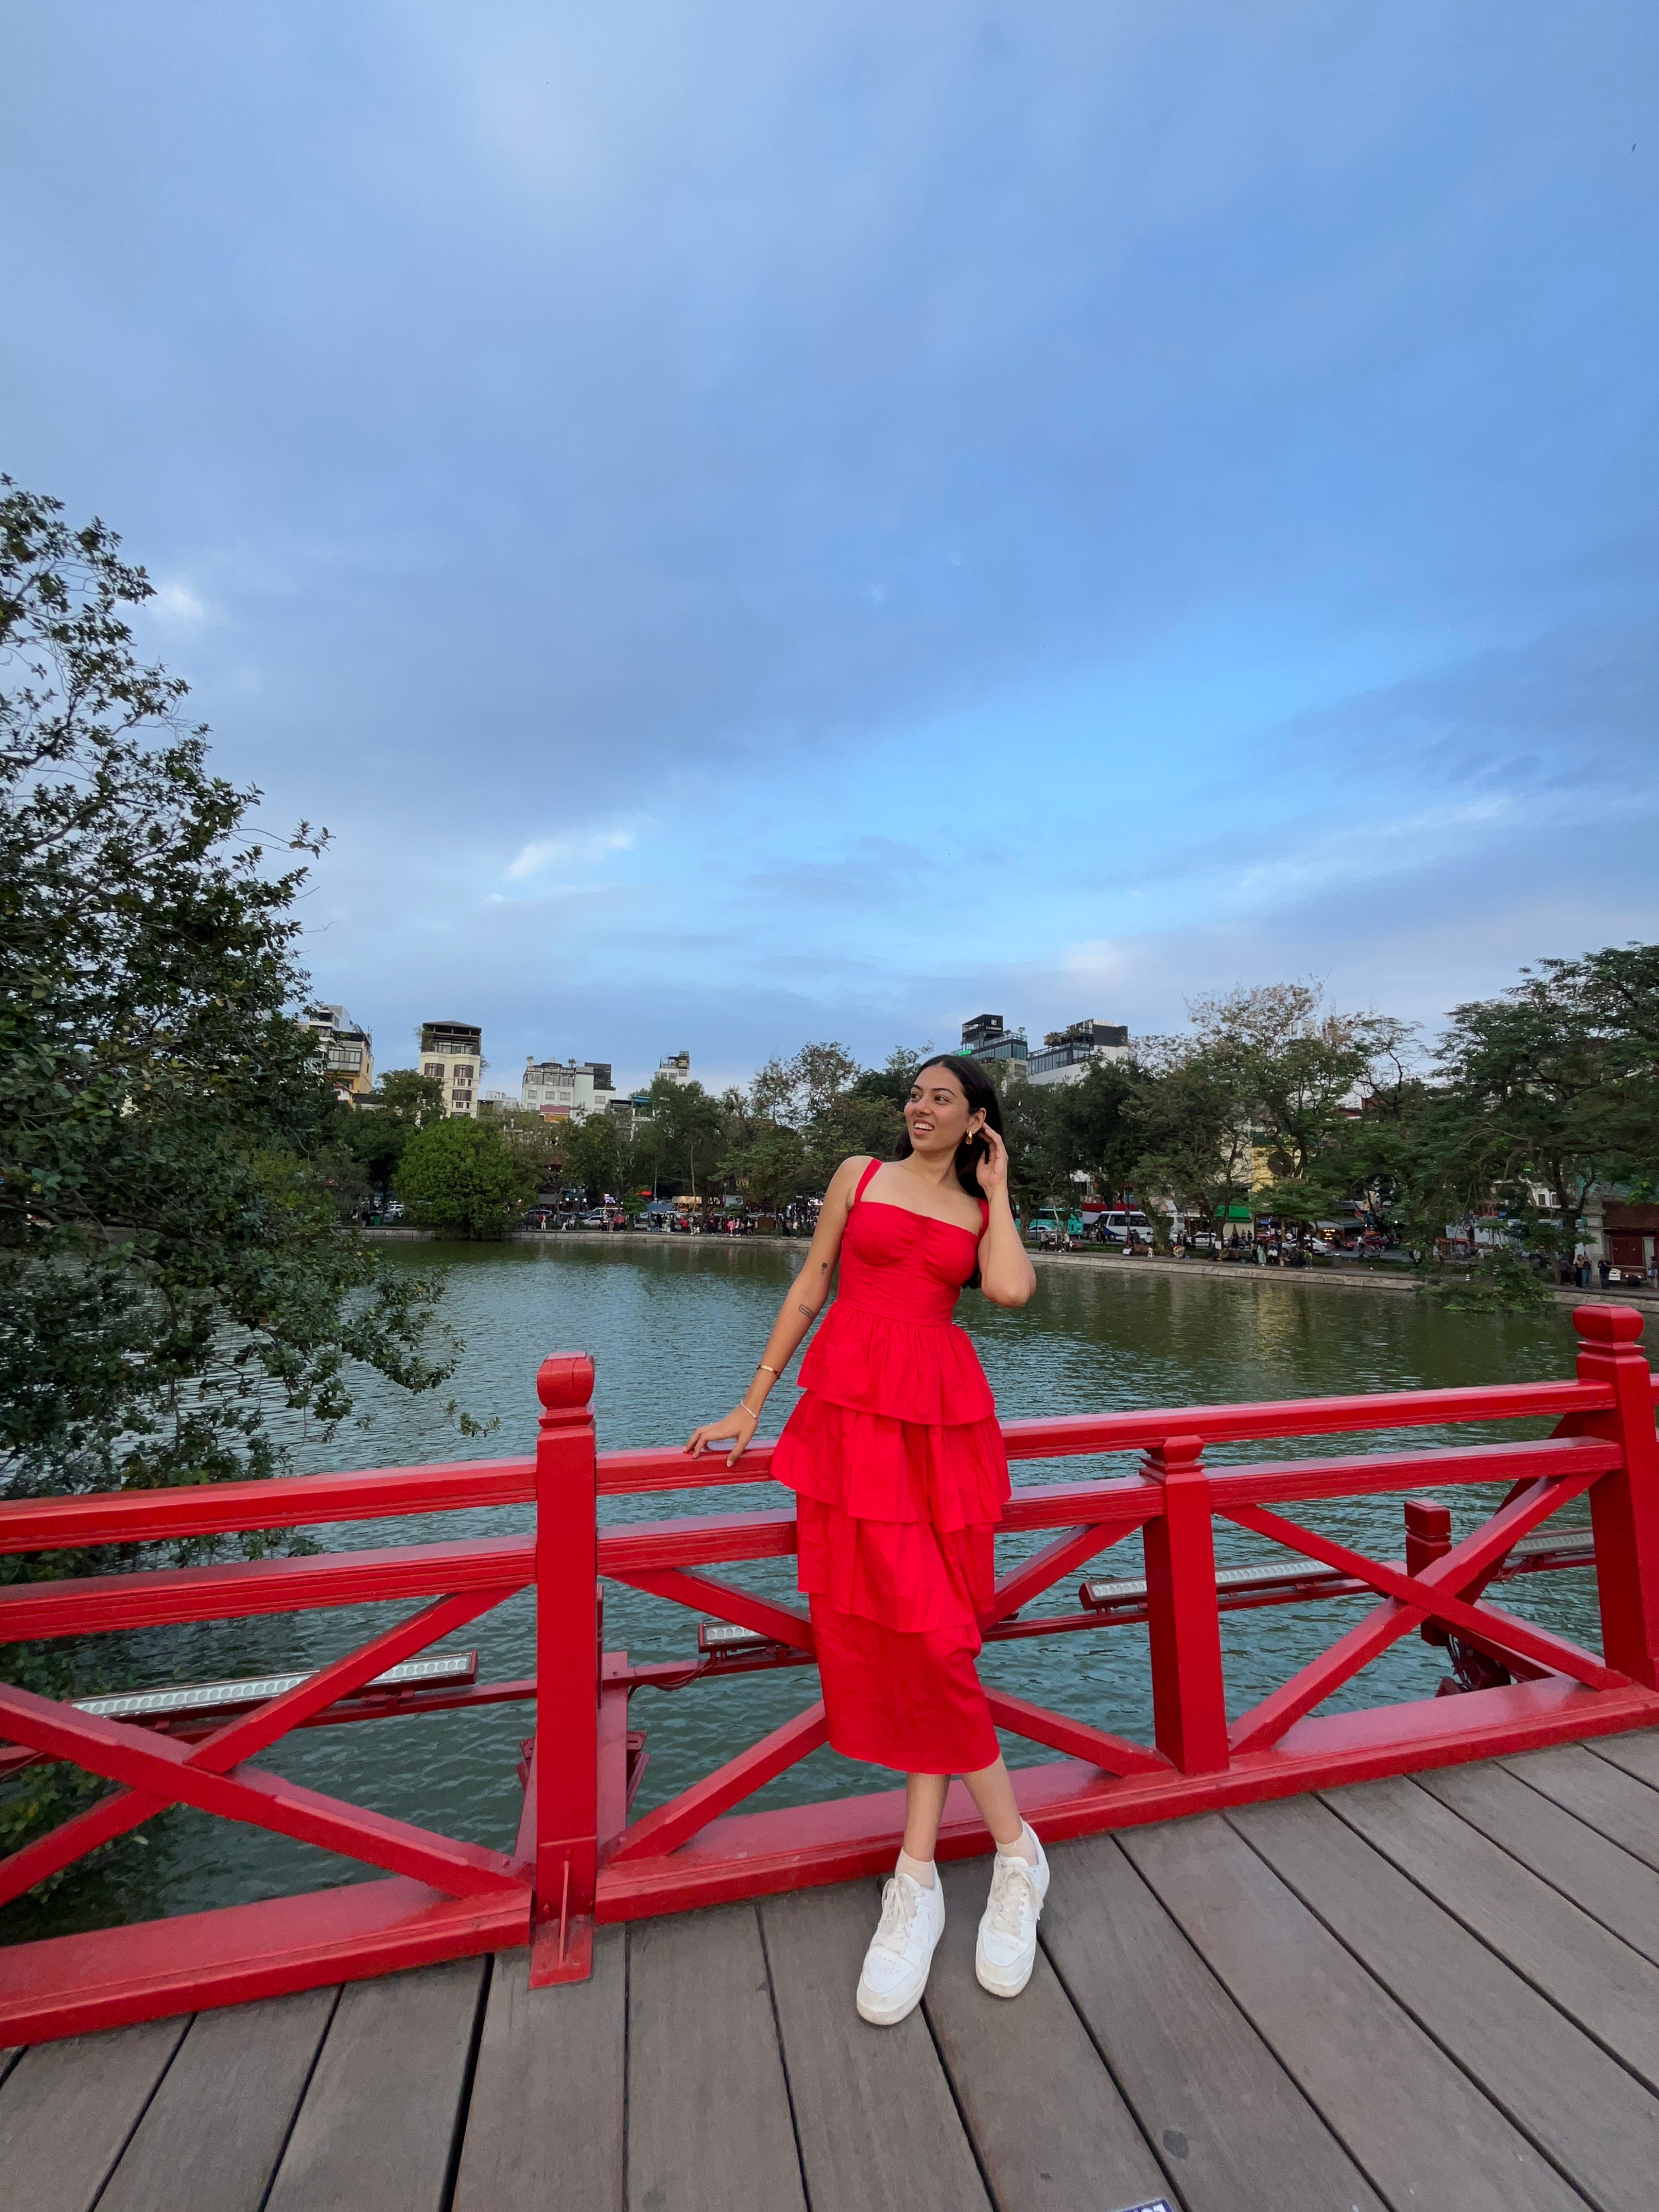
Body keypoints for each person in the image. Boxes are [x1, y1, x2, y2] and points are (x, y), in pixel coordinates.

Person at [686, 1055, 1040, 2028]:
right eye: (915, 1096)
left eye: (942, 1100)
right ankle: (964, 1862)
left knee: (937, 1638)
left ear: (975, 1121)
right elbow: (809, 1287)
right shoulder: (859, 1175)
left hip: (938, 1426)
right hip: (849, 1416)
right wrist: (752, 1402)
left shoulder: (977, 1209)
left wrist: (999, 1189)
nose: (919, 1109)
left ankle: (959, 1867)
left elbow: (1009, 1291)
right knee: (911, 1635)